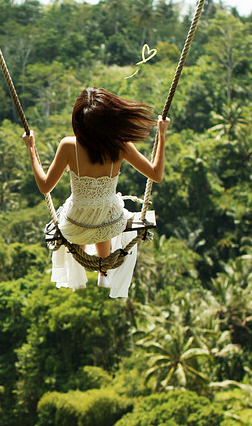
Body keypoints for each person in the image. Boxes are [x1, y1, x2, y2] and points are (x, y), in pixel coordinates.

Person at [23, 87, 168, 298]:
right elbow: (156, 174)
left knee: (86, 218)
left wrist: (31, 149)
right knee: (105, 215)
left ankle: (79, 263)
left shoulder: (68, 146)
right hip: (109, 222)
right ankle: (103, 270)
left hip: (75, 224)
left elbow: (45, 186)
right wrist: (162, 135)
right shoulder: (120, 146)